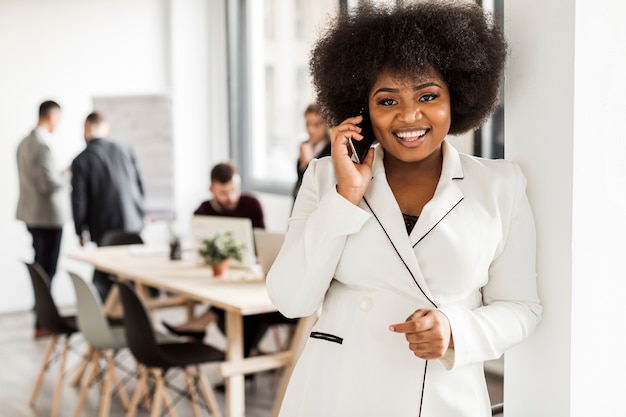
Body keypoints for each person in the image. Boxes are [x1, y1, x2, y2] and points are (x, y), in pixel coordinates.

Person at [266, 2, 542, 417]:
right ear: (363, 111)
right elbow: (290, 299)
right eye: (387, 101)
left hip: (442, 397)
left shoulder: (500, 186)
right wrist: (346, 196)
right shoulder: (326, 178)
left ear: (458, 97)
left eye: (428, 96)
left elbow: (522, 308)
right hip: (337, 394)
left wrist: (456, 330)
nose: (409, 116)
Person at [163, 162, 275, 359]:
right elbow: (202, 251)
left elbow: (261, 243)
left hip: (250, 274)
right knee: (226, 298)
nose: (231, 197)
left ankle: (206, 325)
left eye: (234, 190)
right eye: (223, 192)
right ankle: (243, 355)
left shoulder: (252, 204)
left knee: (236, 300)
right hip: (217, 276)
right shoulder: (202, 211)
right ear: (211, 189)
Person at [71, 111, 145, 300]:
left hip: (104, 228)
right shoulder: (126, 149)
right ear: (107, 130)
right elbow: (140, 184)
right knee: (130, 272)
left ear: (86, 130)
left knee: (106, 272)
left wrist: (80, 230)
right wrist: (141, 213)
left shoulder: (81, 159)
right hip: (133, 224)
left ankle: (109, 314)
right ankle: (129, 312)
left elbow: (79, 199)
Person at [16, 100, 69, 338]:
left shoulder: (23, 144)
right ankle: (43, 319)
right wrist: (67, 176)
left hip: (30, 214)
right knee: (48, 270)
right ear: (51, 116)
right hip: (48, 217)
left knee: (40, 268)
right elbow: (48, 184)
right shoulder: (42, 147)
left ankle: (41, 316)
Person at [292, 103, 331, 199]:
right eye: (307, 124)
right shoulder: (305, 146)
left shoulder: (331, 150)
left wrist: (308, 163)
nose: (310, 130)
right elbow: (299, 180)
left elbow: (321, 184)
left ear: (326, 125)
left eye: (316, 125)